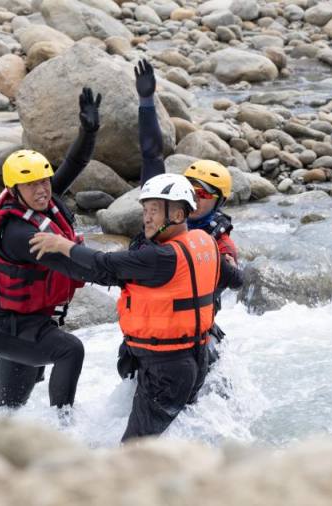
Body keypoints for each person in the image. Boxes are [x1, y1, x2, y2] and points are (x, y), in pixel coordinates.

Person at [29, 173, 220, 441]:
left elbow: (104, 264)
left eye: (154, 210)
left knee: (133, 451)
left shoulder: (160, 256)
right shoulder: (205, 242)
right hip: (192, 356)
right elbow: (229, 279)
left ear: (178, 215)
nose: (147, 218)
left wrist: (62, 245)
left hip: (168, 368)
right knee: (172, 439)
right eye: (144, 210)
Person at [0, 87, 102, 415]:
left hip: (30, 321)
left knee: (6, 413)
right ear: (14, 190)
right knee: (70, 351)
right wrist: (129, 271)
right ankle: (62, 429)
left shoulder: (45, 199)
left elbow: (75, 163)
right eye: (32, 185)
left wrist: (88, 131)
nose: (42, 189)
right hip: (8, 328)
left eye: (44, 181)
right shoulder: (21, 233)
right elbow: (77, 267)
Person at [132, 59, 244, 365]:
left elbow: (233, 278)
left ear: (219, 202)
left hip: (191, 333)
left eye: (206, 193)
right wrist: (146, 102)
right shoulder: (163, 212)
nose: (196, 196)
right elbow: (151, 155)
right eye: (192, 188)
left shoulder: (220, 243)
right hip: (149, 326)